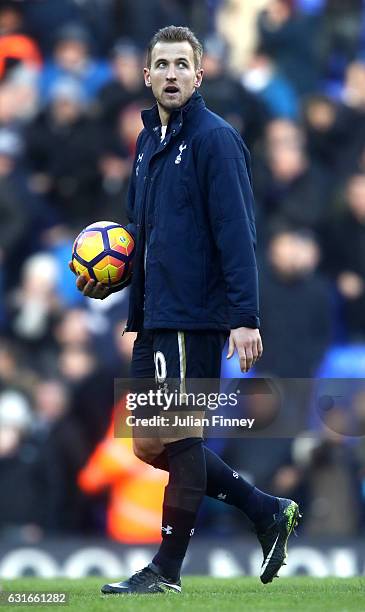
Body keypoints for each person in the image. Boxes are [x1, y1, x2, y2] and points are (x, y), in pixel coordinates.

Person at [70, 25, 300, 595]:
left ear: (199, 75)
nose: (171, 74)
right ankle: (265, 510)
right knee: (150, 442)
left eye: (181, 64)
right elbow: (144, 231)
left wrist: (245, 317)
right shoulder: (149, 142)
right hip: (152, 313)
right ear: (146, 76)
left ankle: (165, 571)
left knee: (178, 433)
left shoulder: (215, 139)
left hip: (192, 314)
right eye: (161, 65)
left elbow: (236, 232)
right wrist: (117, 271)